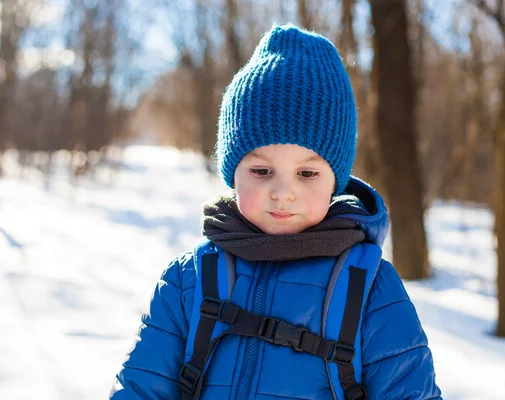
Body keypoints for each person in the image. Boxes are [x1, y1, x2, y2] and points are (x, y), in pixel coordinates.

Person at [110, 24, 441, 400]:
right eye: (262, 171)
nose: (283, 193)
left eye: (307, 173)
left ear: (335, 182)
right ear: (232, 174)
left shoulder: (369, 287)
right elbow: (140, 388)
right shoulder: (189, 280)